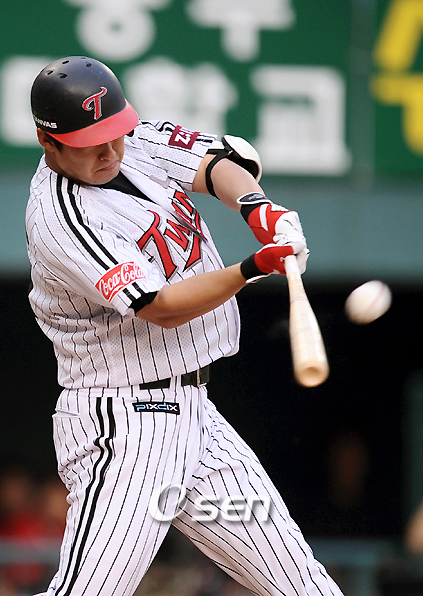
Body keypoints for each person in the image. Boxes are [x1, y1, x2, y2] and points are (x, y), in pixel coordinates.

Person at [26, 55, 344, 596]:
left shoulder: (134, 140)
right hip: (124, 425)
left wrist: (258, 208)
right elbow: (160, 305)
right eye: (89, 142)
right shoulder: (61, 218)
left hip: (199, 421)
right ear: (48, 141)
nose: (109, 151)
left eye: (113, 132)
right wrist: (252, 267)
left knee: (304, 585)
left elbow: (218, 164)